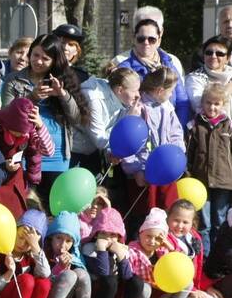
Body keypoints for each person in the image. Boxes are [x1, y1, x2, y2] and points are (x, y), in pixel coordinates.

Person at [2, 34, 88, 206]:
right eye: (35, 55)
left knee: (55, 208)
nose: (39, 61)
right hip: (26, 156)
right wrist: (32, 97)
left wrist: (62, 94)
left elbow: (76, 118)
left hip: (58, 157)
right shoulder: (14, 80)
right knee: (27, 209)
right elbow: (7, 117)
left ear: (55, 61)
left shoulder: (63, 79)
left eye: (45, 58)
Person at [120, 67, 185, 234]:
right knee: (144, 216)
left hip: (165, 169)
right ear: (160, 90)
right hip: (144, 171)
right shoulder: (138, 108)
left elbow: (176, 133)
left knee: (168, 211)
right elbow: (128, 140)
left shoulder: (167, 107)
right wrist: (135, 169)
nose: (171, 95)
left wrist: (176, 155)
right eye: (170, 91)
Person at [0, 97, 53, 218]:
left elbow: (48, 151)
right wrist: (2, 165)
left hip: (16, 179)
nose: (21, 135)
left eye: (24, 132)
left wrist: (40, 126)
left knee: (15, 213)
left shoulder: (30, 132)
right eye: (17, 131)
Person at [37, 211, 109, 298]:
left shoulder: (74, 257)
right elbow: (42, 279)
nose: (63, 245)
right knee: (69, 275)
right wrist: (59, 268)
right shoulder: (44, 252)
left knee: (81, 273)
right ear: (51, 237)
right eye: (59, 238)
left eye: (68, 240)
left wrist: (66, 267)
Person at [165, 199, 232, 298]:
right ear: (167, 219)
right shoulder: (161, 239)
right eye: (176, 220)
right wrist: (193, 291)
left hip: (190, 293)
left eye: (185, 222)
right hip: (168, 297)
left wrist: (206, 287)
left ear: (192, 223)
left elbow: (198, 270)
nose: (179, 225)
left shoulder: (194, 239)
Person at [80, 206, 143, 298]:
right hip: (96, 294)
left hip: (114, 297)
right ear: (96, 234)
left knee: (136, 281)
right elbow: (103, 273)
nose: (108, 239)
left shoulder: (119, 248)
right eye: (104, 234)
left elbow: (126, 277)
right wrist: (101, 250)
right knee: (109, 280)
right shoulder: (90, 248)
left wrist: (121, 256)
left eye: (113, 235)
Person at [119, 16, 190, 128]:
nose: (146, 43)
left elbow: (182, 102)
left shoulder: (169, 64)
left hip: (171, 130)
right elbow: (121, 106)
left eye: (151, 39)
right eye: (141, 39)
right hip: (141, 130)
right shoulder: (124, 69)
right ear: (134, 39)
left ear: (159, 41)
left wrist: (179, 130)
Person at [187, 82, 232, 252]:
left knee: (220, 221)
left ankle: (218, 257)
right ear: (202, 103)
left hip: (224, 182)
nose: (212, 107)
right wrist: (188, 175)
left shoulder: (228, 125)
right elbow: (188, 154)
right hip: (201, 183)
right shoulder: (194, 126)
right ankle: (205, 257)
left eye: (216, 104)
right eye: (208, 103)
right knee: (203, 223)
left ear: (223, 104)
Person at [77, 66, 141, 175]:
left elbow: (111, 132)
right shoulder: (94, 99)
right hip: (75, 152)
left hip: (92, 153)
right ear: (120, 90)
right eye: (134, 91)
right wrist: (127, 121)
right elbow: (100, 140)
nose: (138, 95)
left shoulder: (122, 100)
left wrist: (112, 151)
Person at [185, 35, 232, 117]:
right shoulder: (194, 78)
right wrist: (226, 91)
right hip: (212, 128)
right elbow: (200, 108)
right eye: (209, 53)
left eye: (219, 53)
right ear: (203, 56)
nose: (213, 56)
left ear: (228, 58)